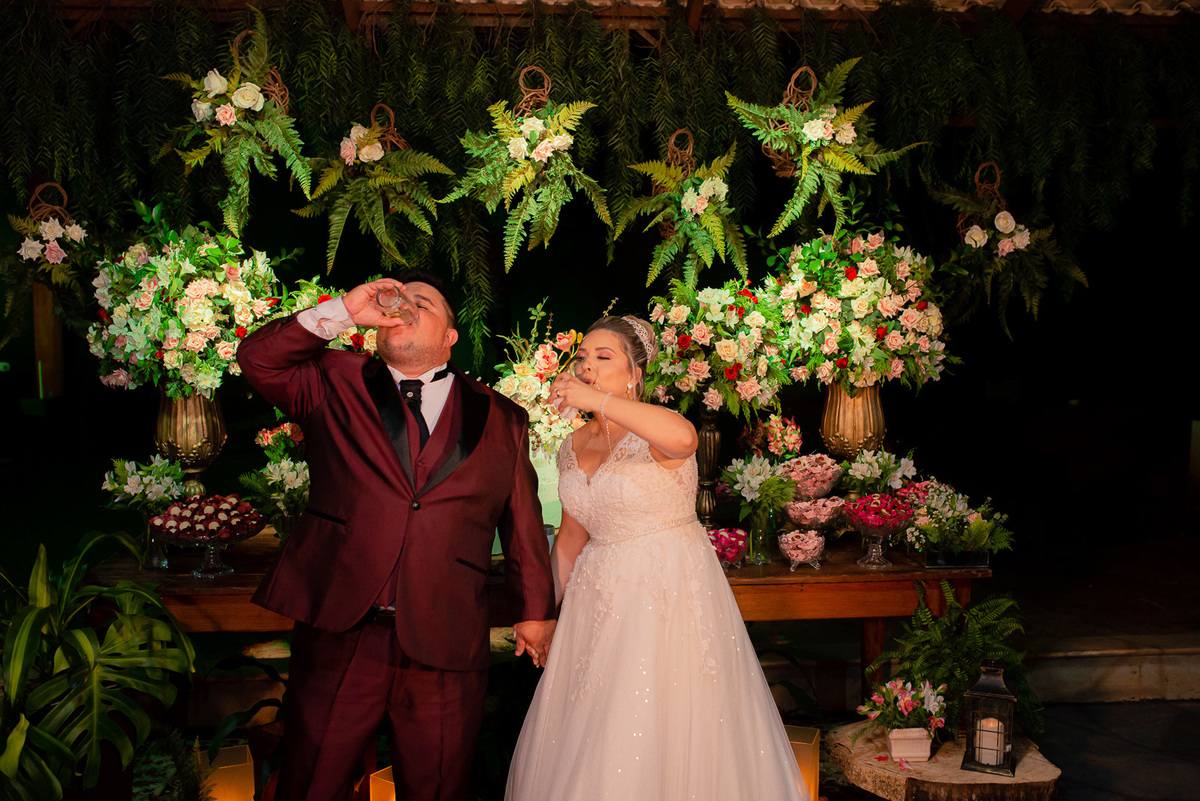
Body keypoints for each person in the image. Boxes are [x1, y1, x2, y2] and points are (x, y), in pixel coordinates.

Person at [236, 270, 556, 801]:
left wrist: (535, 611)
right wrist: (342, 310)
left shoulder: (503, 417)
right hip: (342, 627)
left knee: (436, 790)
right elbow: (258, 359)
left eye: (423, 303)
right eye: (397, 301)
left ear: (451, 336)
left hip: (446, 634)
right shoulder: (331, 379)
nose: (404, 308)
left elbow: (521, 521)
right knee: (310, 784)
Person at [504, 315, 807, 801]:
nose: (589, 367)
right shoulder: (571, 446)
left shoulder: (658, 428)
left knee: (657, 720)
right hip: (596, 602)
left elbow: (686, 441)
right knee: (593, 730)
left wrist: (599, 401)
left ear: (634, 375)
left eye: (605, 358)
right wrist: (544, 614)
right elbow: (569, 540)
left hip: (664, 596)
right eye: (583, 358)